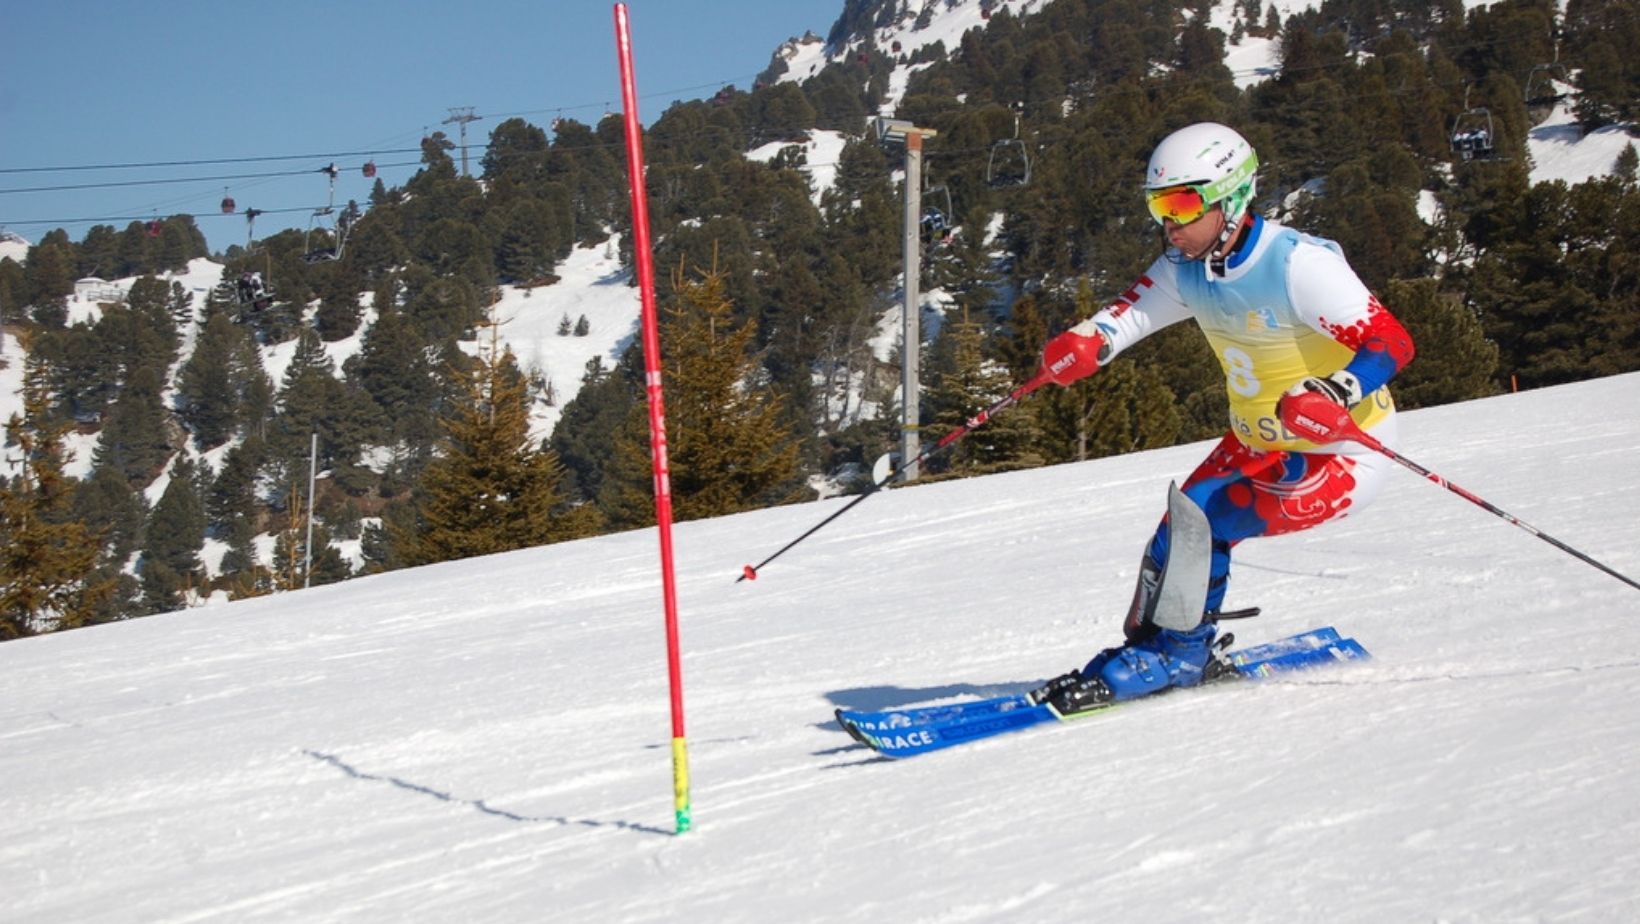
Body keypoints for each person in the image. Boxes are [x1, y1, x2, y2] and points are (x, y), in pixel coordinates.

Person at [1028, 122, 1415, 714]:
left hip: (1341, 451)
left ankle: (1180, 657)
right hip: (1257, 438)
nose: (1170, 223)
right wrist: (1086, 343)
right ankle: (1161, 646)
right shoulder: (1187, 265)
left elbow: (1391, 342)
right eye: (1158, 205)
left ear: (1231, 199)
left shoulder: (1295, 264)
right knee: (1177, 529)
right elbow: (1128, 316)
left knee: (1210, 524)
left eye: (1183, 204)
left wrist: (1337, 390)